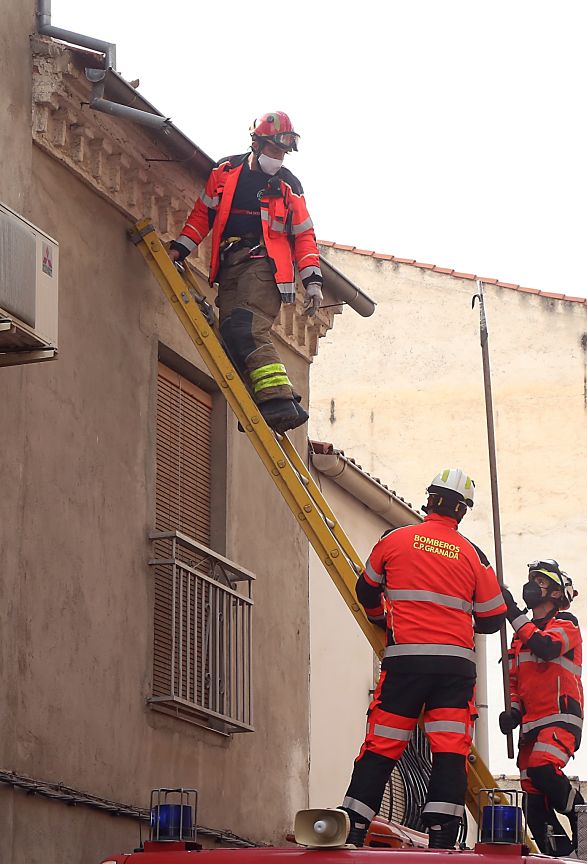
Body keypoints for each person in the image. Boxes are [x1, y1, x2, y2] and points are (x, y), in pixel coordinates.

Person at [340, 468, 507, 849]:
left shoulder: (395, 539)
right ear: (462, 511)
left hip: (405, 664)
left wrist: (382, 620)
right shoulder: (472, 554)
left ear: (430, 499)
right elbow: (493, 617)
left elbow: (366, 590)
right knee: (449, 749)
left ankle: (354, 825)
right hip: (454, 671)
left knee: (382, 745)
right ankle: (442, 835)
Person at [168, 111, 323, 432]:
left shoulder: (288, 185)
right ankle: (265, 402)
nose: (278, 157)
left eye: (283, 152)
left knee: (246, 327)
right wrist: (179, 249)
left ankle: (279, 401)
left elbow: (304, 236)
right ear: (257, 143)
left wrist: (313, 281)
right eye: (274, 149)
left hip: (264, 266)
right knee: (229, 335)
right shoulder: (225, 172)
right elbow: (203, 215)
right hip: (230, 267)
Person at [500, 560, 584, 857]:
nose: (532, 585)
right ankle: (560, 855)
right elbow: (513, 680)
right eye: (532, 579)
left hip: (560, 716)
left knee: (543, 768)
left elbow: (547, 647)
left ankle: (585, 817)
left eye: (541, 581)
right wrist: (513, 711)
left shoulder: (566, 623)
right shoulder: (519, 637)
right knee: (533, 800)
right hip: (531, 723)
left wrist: (512, 612)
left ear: (557, 593)